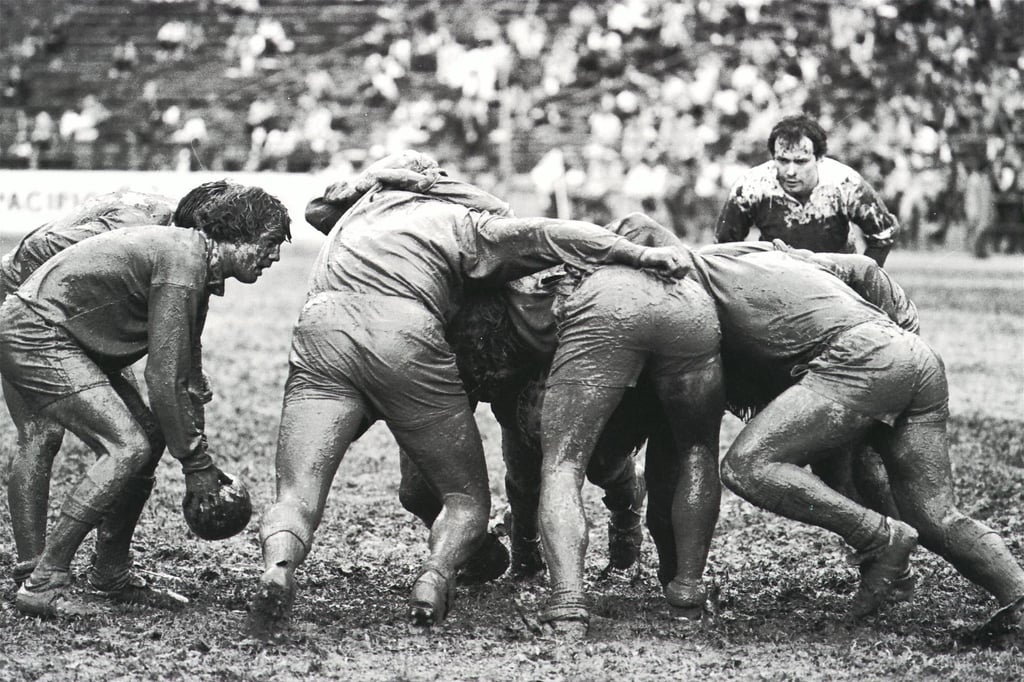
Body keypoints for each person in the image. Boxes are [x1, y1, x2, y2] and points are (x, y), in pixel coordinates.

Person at [247, 151, 691, 636]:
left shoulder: (372, 215)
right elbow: (545, 233)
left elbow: (322, 208)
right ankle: (447, 569)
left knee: (574, 464)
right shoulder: (460, 223)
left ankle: (279, 566)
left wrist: (377, 181)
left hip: (329, 331)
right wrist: (388, 179)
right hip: (419, 348)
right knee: (434, 494)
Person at [684, 243, 1024, 633]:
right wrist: (901, 341)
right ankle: (1017, 597)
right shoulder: (769, 255)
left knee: (746, 466)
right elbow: (860, 268)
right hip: (912, 356)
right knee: (935, 516)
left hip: (862, 357)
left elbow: (864, 268)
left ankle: (879, 538)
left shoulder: (688, 279)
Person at [0, 183, 291, 618]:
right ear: (233, 232)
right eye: (267, 244)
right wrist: (197, 468)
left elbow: (182, 368)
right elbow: (162, 377)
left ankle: (109, 573)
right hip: (33, 322)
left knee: (146, 436)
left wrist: (197, 435)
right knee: (112, 443)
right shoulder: (178, 257)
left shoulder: (192, 256)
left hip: (64, 326)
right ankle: (40, 578)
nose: (274, 257)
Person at [715, 114, 899, 266]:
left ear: (819, 158)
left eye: (801, 161)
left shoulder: (845, 183)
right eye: (783, 160)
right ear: (773, 157)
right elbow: (724, 245)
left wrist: (862, 277)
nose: (791, 171)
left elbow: (885, 232)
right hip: (775, 274)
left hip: (836, 274)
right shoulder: (751, 186)